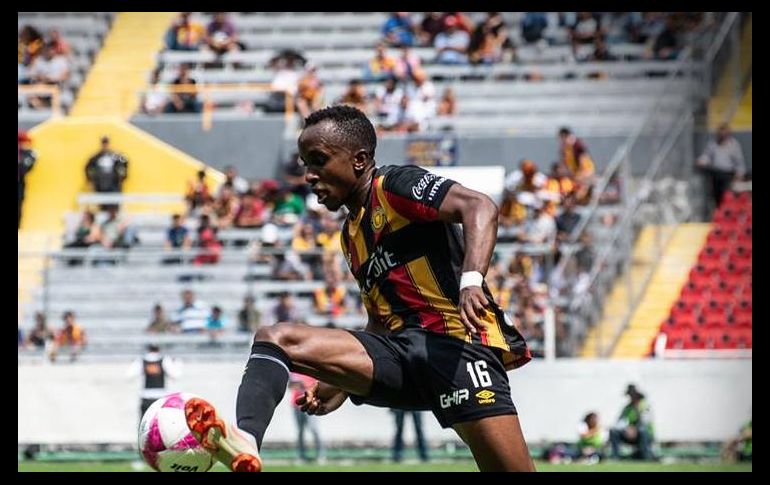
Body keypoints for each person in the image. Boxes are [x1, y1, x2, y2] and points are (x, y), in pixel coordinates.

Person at [183, 105, 534, 472]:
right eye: (305, 164)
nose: (309, 176)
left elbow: (479, 207)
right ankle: (246, 444)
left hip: (458, 349)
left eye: (318, 161)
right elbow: (379, 322)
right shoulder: (351, 237)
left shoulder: (396, 186)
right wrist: (342, 382)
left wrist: (471, 281)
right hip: (403, 355)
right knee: (275, 338)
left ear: (360, 160)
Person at [696, 123, 747, 217]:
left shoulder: (733, 145)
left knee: (727, 196)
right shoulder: (713, 144)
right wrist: (702, 161)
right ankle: (718, 215)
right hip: (715, 174)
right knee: (716, 196)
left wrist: (739, 174)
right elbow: (707, 156)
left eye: (724, 132)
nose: (722, 134)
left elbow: (739, 161)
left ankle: (728, 216)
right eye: (720, 132)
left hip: (728, 175)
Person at [126, 344, 182, 423]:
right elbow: (175, 375)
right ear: (158, 350)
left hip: (146, 396)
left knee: (144, 425)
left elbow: (129, 375)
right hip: (160, 397)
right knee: (160, 426)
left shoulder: (142, 360)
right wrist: (177, 363)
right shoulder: (164, 360)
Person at [609, 384, 656, 460]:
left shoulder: (644, 406)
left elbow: (645, 421)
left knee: (642, 430)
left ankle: (646, 456)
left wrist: (635, 429)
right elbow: (621, 422)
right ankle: (615, 456)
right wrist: (626, 429)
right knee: (613, 431)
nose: (631, 397)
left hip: (645, 434)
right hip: (630, 433)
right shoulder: (627, 408)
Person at [288, 372, 325, 463]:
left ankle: (320, 456)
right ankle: (301, 456)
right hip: (296, 404)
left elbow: (317, 386)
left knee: (314, 429)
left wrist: (303, 384)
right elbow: (290, 387)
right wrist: (294, 384)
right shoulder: (294, 372)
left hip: (310, 403)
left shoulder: (311, 371)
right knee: (300, 431)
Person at [85, 136, 129, 209]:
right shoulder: (97, 156)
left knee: (114, 205)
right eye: (103, 143)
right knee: (102, 207)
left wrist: (123, 175)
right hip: (101, 185)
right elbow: (88, 166)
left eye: (106, 143)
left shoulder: (114, 155)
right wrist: (91, 178)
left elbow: (124, 160)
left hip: (113, 185)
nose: (105, 145)